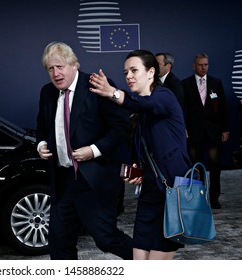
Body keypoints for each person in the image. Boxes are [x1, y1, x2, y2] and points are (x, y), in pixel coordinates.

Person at [89, 49, 191, 260]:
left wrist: (113, 93)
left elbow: (144, 104)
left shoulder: (164, 96)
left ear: (151, 72)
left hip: (172, 193)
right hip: (150, 192)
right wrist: (139, 171)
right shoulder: (141, 113)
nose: (128, 76)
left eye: (134, 70)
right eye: (126, 72)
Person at [36, 41, 133, 260]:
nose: (55, 73)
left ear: (74, 65)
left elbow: (121, 127)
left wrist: (94, 150)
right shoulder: (47, 92)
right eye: (50, 68)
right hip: (64, 180)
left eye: (60, 66)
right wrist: (41, 144)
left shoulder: (97, 85)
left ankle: (146, 263)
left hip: (94, 180)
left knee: (106, 238)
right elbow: (41, 127)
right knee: (59, 243)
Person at [181, 53, 230, 209]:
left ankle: (214, 199)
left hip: (214, 132)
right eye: (201, 65)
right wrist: (184, 127)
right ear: (194, 66)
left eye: (206, 64)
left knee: (215, 167)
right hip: (194, 133)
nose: (204, 67)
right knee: (196, 167)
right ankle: (199, 199)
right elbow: (182, 109)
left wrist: (225, 129)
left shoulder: (216, 83)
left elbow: (223, 108)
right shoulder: (185, 84)